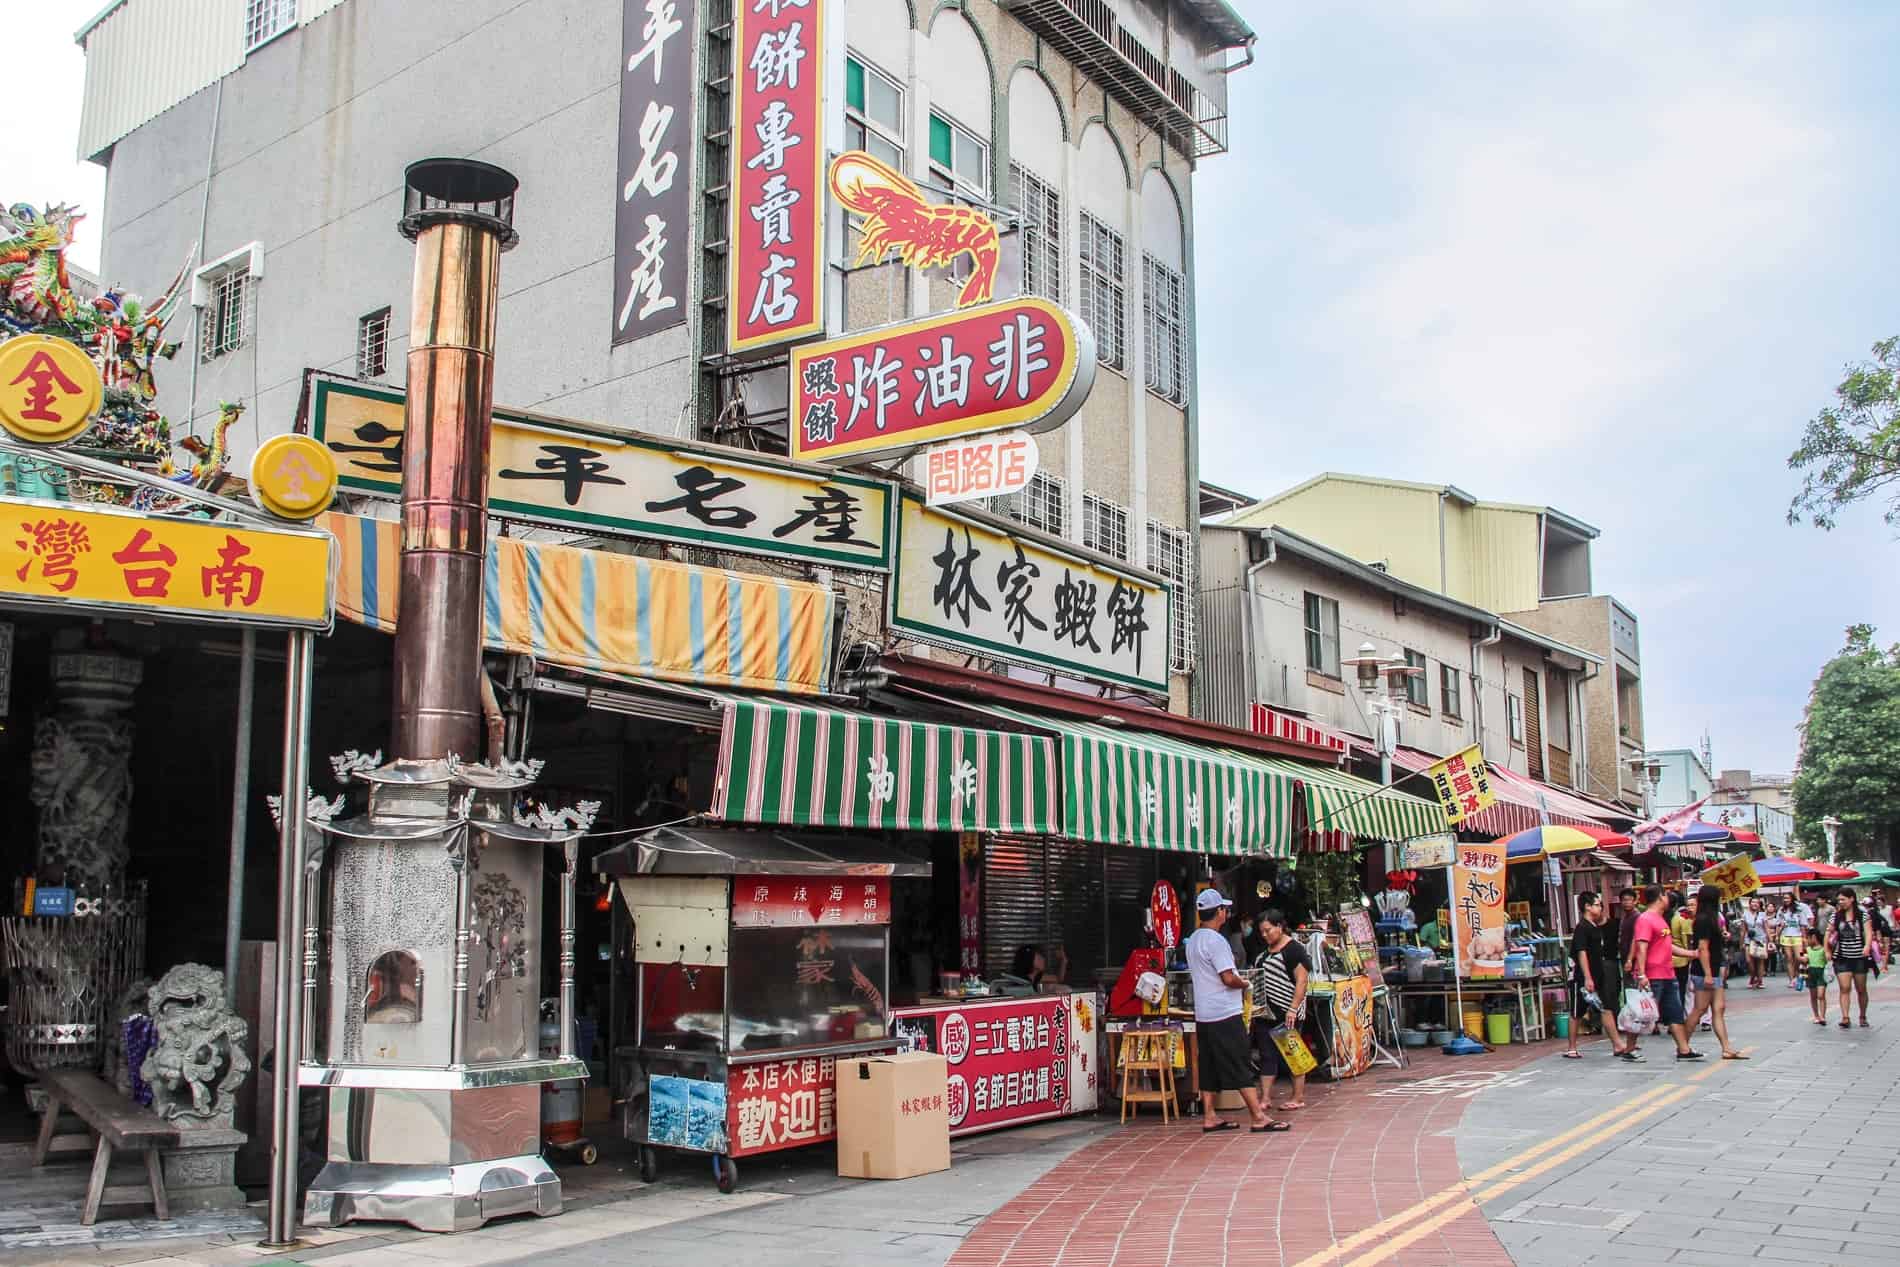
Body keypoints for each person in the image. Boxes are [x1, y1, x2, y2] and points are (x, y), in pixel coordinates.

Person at [1184, 890, 1284, 1133]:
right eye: (1224, 909)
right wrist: (1245, 983)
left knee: (1208, 1063)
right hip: (1224, 1012)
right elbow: (1228, 977)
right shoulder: (1216, 941)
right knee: (1240, 1062)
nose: (1226, 913)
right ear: (1219, 912)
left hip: (1204, 1014)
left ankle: (1209, 1115)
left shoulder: (1194, 939)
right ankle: (1258, 1116)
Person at [1249, 909, 1312, 1109]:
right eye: (1262, 932)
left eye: (1268, 930)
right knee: (1267, 1055)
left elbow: (1302, 980)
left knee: (1293, 1055)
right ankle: (1265, 1097)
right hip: (1265, 1013)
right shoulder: (1263, 955)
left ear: (1279, 927)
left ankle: (1298, 1097)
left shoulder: (1294, 950)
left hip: (1288, 1013)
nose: (1265, 935)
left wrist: (1293, 1009)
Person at [1630, 884, 1700, 1060]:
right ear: (1661, 897)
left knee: (1675, 1013)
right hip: (1652, 975)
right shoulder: (1645, 919)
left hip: (1668, 973)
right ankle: (1629, 1049)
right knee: (1642, 1014)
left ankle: (1684, 1049)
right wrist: (1642, 974)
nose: (1670, 899)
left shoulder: (1661, 919)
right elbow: (1642, 947)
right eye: (1667, 895)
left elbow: (1667, 946)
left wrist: (1691, 953)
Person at [1567, 891, 1637, 1061]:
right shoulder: (1582, 927)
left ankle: (1617, 1044)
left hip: (1599, 976)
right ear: (1587, 907)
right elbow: (1582, 953)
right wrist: (1587, 977)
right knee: (1576, 1012)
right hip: (1583, 978)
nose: (1600, 908)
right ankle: (1571, 1047)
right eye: (1597, 904)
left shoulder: (1594, 927)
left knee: (1606, 1008)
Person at [1684, 885, 1745, 1059]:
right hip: (1705, 971)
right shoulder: (1703, 919)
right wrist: (1708, 974)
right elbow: (1703, 948)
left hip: (1713, 970)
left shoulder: (1710, 918)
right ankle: (1683, 1045)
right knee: (1700, 1009)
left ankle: (1726, 1048)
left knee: (1718, 1008)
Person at [1829, 888, 1873, 1029]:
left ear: (1851, 899)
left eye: (1843, 899)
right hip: (1842, 956)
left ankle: (1862, 1016)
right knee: (1844, 987)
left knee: (1861, 989)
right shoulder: (1835, 916)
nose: (1841, 902)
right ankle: (1845, 1017)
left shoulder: (1863, 915)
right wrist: (1826, 950)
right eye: (1839, 900)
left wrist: (1867, 946)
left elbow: (1868, 932)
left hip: (1859, 957)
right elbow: (1828, 933)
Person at [1779, 895, 1810, 989]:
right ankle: (1792, 980)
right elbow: (1778, 924)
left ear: (1792, 899)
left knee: (1800, 957)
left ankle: (1803, 975)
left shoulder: (1799, 910)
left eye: (1788, 898)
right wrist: (1780, 928)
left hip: (1797, 937)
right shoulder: (1781, 910)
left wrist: (1804, 938)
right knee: (1788, 958)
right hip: (1785, 937)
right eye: (1784, 898)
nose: (1786, 900)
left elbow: (1803, 925)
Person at [1742, 897, 1770, 989]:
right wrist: (1741, 942)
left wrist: (1770, 941)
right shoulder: (1745, 914)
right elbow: (1743, 930)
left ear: (1759, 905)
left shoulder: (1762, 915)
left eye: (1756, 902)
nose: (1754, 904)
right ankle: (1753, 976)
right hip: (1748, 940)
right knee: (1749, 961)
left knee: (1760, 961)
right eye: (1752, 902)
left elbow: (1766, 928)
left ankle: (1760, 980)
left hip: (1760, 940)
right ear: (1749, 904)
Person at [1804, 928, 1829, 1025]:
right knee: (1813, 996)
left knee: (1821, 995)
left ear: (1814, 938)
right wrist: (1803, 959)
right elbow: (1802, 958)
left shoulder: (1824, 949)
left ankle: (1822, 1016)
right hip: (1810, 973)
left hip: (1821, 973)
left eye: (1808, 938)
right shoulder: (1806, 949)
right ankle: (1816, 1015)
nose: (1807, 940)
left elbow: (1828, 959)